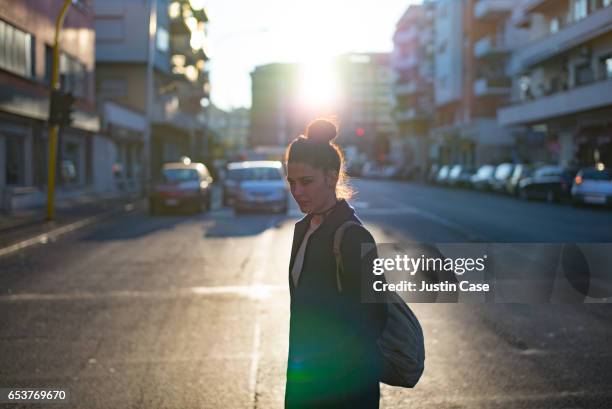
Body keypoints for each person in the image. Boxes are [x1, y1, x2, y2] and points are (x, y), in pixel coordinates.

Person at [284, 118, 388, 408]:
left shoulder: (354, 237)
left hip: (345, 390)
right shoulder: (302, 230)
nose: (297, 192)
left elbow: (375, 318)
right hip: (305, 381)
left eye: (306, 182)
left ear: (332, 177)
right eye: (292, 182)